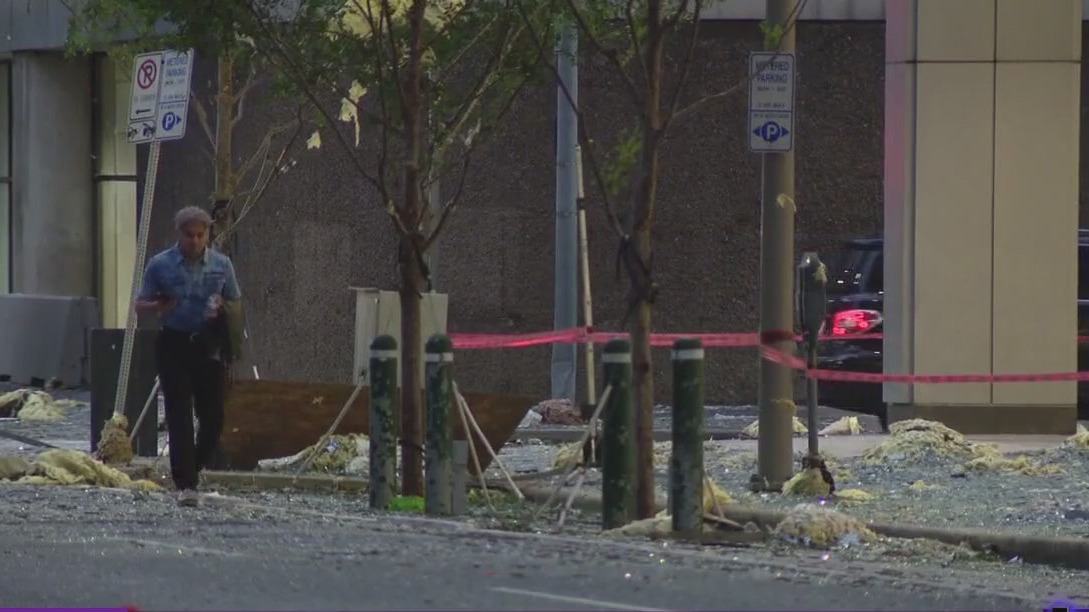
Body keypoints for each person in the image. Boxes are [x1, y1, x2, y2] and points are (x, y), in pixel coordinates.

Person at [135, 206, 242, 507]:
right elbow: (139, 305)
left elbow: (236, 303)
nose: (195, 241)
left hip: (208, 343)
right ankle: (186, 483)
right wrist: (159, 305)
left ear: (208, 233)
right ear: (178, 234)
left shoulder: (222, 265)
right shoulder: (160, 265)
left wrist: (223, 309)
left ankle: (191, 466)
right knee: (179, 412)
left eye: (201, 234)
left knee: (213, 416)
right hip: (174, 342)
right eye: (189, 235)